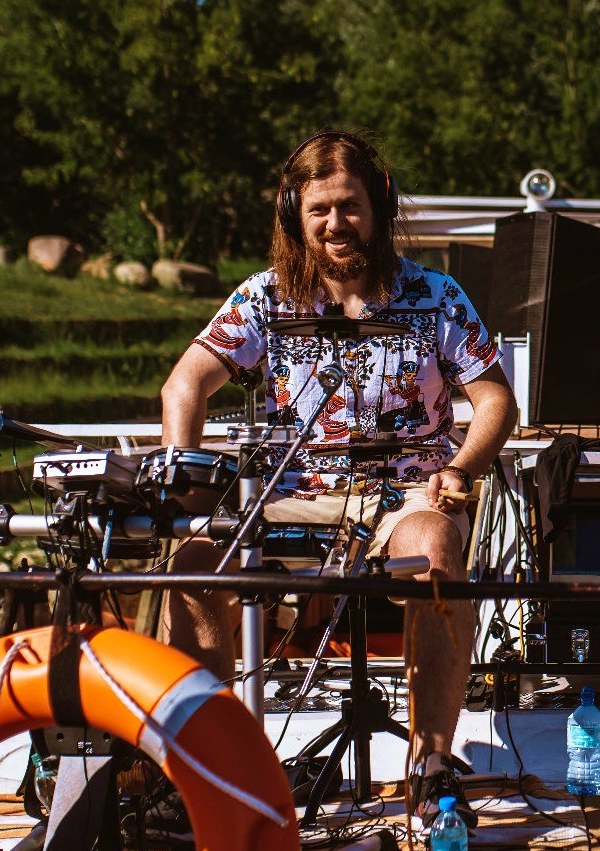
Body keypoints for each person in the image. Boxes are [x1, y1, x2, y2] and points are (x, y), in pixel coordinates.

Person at [159, 130, 517, 830]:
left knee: (437, 551)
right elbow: (185, 383)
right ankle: (208, 770)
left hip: (411, 491)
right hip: (298, 494)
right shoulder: (264, 297)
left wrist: (459, 467)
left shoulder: (436, 294)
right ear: (296, 211)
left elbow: (497, 400)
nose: (334, 224)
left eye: (348, 206)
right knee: (196, 562)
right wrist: (184, 477)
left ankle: (430, 763)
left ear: (378, 204)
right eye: (318, 208)